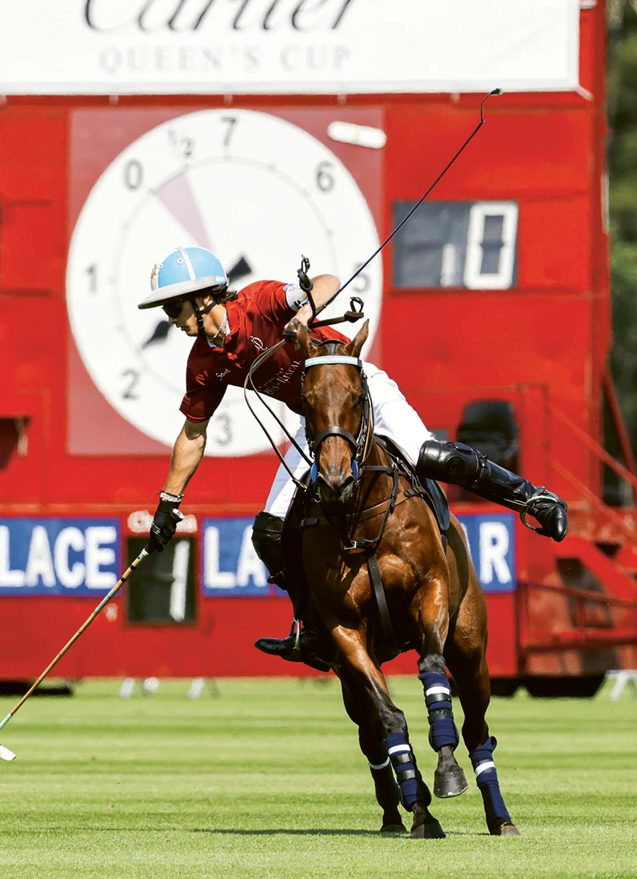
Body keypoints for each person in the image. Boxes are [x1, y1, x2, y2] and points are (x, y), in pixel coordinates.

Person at [138, 245, 569, 670]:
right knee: (268, 533)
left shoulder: (262, 301)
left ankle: (533, 499)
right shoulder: (204, 362)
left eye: (172, 309)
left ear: (204, 297)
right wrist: (168, 503)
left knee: (429, 456)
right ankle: (312, 628)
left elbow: (325, 282)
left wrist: (304, 316)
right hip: (316, 422)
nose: (170, 320)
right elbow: (194, 432)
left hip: (359, 392)